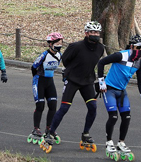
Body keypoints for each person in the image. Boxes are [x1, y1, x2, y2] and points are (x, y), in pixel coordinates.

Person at [40, 21, 105, 153]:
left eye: (97, 32)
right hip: (73, 80)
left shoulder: (100, 48)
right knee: (64, 107)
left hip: (87, 81)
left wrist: (99, 81)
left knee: (93, 107)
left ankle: (86, 134)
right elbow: (66, 60)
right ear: (86, 33)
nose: (95, 35)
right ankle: (50, 133)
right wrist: (72, 72)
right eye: (92, 32)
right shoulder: (76, 46)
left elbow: (96, 64)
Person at [97, 34, 141, 161]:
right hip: (109, 89)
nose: (140, 51)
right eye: (138, 48)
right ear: (131, 46)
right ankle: (109, 142)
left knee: (127, 117)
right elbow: (101, 62)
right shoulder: (121, 55)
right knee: (113, 116)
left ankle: (121, 142)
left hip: (121, 92)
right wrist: (101, 81)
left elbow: (140, 81)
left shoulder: (139, 62)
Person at [28, 32, 63, 145]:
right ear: (50, 44)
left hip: (50, 81)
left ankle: (49, 128)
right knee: (40, 105)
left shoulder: (59, 55)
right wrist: (37, 79)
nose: (59, 45)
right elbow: (33, 67)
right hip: (39, 80)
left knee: (53, 105)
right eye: (57, 42)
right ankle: (36, 128)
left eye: (61, 42)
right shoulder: (44, 55)